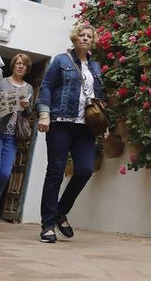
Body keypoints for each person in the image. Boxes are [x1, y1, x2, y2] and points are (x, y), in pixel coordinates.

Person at [36, 22, 103, 244]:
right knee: (55, 172)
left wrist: (103, 125)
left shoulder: (95, 67)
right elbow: (46, 86)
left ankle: (60, 211)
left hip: (86, 127)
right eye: (81, 35)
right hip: (61, 122)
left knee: (84, 170)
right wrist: (44, 114)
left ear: (93, 41)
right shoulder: (61, 61)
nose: (85, 38)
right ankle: (47, 225)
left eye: (89, 36)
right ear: (74, 38)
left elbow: (98, 98)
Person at [0, 53, 33, 230]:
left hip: (12, 136)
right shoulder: (1, 83)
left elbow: (28, 113)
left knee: (4, 174)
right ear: (13, 66)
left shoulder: (29, 88)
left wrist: (26, 107)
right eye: (18, 63)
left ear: (27, 68)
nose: (20, 66)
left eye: (24, 64)